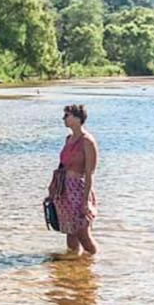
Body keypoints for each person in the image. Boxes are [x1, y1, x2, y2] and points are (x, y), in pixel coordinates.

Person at [50, 103, 99, 255]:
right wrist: (53, 189)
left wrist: (85, 201)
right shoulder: (69, 139)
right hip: (64, 189)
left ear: (78, 119)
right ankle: (73, 269)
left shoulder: (87, 141)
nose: (63, 118)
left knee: (83, 233)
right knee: (69, 231)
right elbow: (62, 166)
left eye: (66, 116)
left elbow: (90, 173)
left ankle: (94, 266)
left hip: (78, 188)